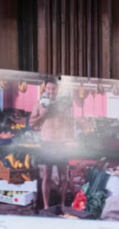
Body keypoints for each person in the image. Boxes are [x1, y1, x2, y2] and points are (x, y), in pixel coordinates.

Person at [31, 77, 74, 211]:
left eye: (53, 88)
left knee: (63, 176)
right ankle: (46, 206)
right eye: (48, 88)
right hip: (47, 143)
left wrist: (65, 117)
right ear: (45, 88)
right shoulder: (39, 104)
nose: (51, 91)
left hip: (61, 143)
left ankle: (62, 205)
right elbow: (32, 124)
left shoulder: (63, 104)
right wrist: (43, 115)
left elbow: (70, 123)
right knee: (46, 175)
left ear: (57, 89)